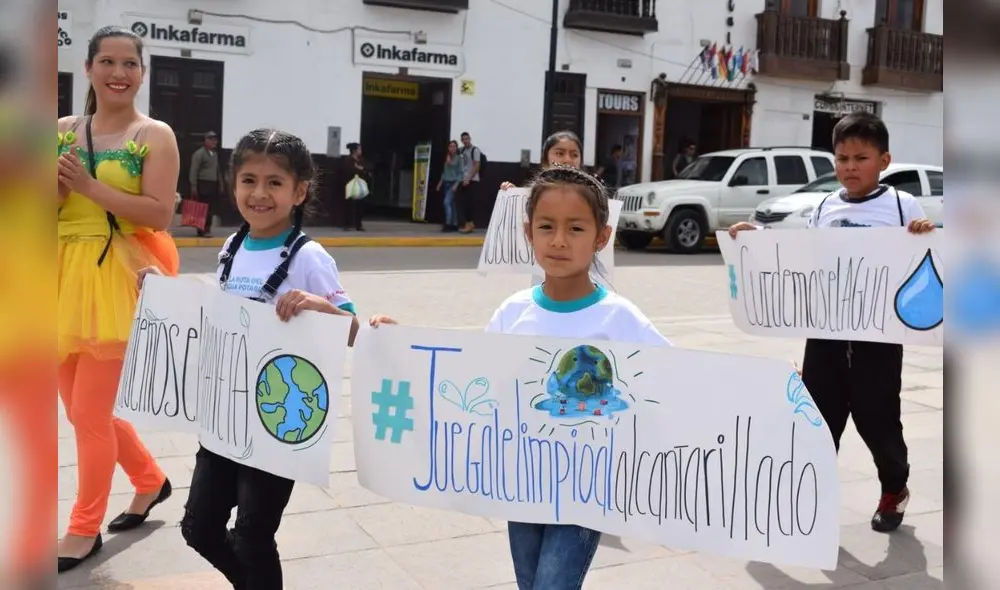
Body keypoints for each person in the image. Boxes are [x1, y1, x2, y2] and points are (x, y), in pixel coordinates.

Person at [370, 166, 671, 589]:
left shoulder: (619, 317)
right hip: (522, 485)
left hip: (585, 493)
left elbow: (680, 376)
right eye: (546, 227)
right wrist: (404, 343)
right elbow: (471, 376)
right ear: (529, 233)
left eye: (576, 228)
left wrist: (760, 389)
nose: (559, 240)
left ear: (601, 237)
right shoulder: (513, 312)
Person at [140, 128, 359, 590]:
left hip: (277, 419)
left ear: (299, 191)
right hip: (224, 415)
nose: (260, 193)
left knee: (255, 534)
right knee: (199, 528)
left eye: (275, 183)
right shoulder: (231, 247)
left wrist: (322, 309)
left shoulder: (309, 257)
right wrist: (166, 291)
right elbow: (219, 315)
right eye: (249, 180)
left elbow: (354, 329)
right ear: (232, 183)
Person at [728, 111, 936, 533]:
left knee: (879, 422)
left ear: (884, 160)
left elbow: (924, 254)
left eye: (861, 158)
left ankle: (894, 489)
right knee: (817, 423)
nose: (850, 167)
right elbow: (805, 259)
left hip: (878, 341)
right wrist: (755, 241)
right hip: (823, 337)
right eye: (842, 158)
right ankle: (808, 498)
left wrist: (924, 232)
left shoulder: (900, 204)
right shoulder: (823, 206)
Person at [55, 25, 180, 573]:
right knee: (82, 410)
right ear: (88, 69)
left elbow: (158, 213)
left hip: (117, 278)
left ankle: (84, 529)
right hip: (56, 278)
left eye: (130, 64)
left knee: (88, 412)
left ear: (142, 73)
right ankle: (150, 481)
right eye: (107, 62)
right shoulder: (59, 131)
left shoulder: (154, 135)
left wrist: (88, 188)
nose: (119, 73)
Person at [500, 130, 583, 191]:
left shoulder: (590, 194)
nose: (567, 160)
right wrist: (514, 194)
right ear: (545, 159)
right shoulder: (536, 192)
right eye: (559, 153)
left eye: (574, 155)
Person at [189, 130, 223, 237]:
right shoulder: (199, 154)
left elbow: (217, 169)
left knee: (210, 208)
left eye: (215, 140)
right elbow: (194, 170)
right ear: (206, 141)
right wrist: (193, 185)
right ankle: (202, 229)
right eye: (211, 139)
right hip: (203, 184)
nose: (213, 142)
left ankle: (206, 228)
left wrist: (221, 183)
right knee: (203, 208)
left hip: (213, 184)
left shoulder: (214, 154)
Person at [436, 139, 464, 232]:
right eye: (450, 146)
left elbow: (461, 173)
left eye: (454, 146)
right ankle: (454, 224)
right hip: (446, 183)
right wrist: (440, 184)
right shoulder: (447, 157)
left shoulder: (459, 158)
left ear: (456, 148)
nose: (452, 148)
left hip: (453, 183)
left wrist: (456, 185)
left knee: (446, 202)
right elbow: (445, 172)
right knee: (451, 204)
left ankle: (448, 224)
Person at [457, 131, 482, 233]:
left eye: (467, 139)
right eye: (463, 139)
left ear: (470, 139)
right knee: (464, 203)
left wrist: (468, 178)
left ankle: (469, 224)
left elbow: (477, 165)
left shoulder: (475, 150)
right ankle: (469, 224)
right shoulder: (462, 151)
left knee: (469, 203)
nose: (465, 141)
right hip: (463, 180)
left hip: (472, 180)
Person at [341, 142, 368, 231]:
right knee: (348, 205)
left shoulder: (361, 160)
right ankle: (346, 224)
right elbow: (349, 171)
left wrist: (359, 169)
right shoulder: (348, 160)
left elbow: (365, 170)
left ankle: (358, 224)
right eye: (359, 149)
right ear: (354, 150)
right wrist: (358, 169)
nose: (361, 151)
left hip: (359, 186)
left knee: (360, 206)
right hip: (350, 185)